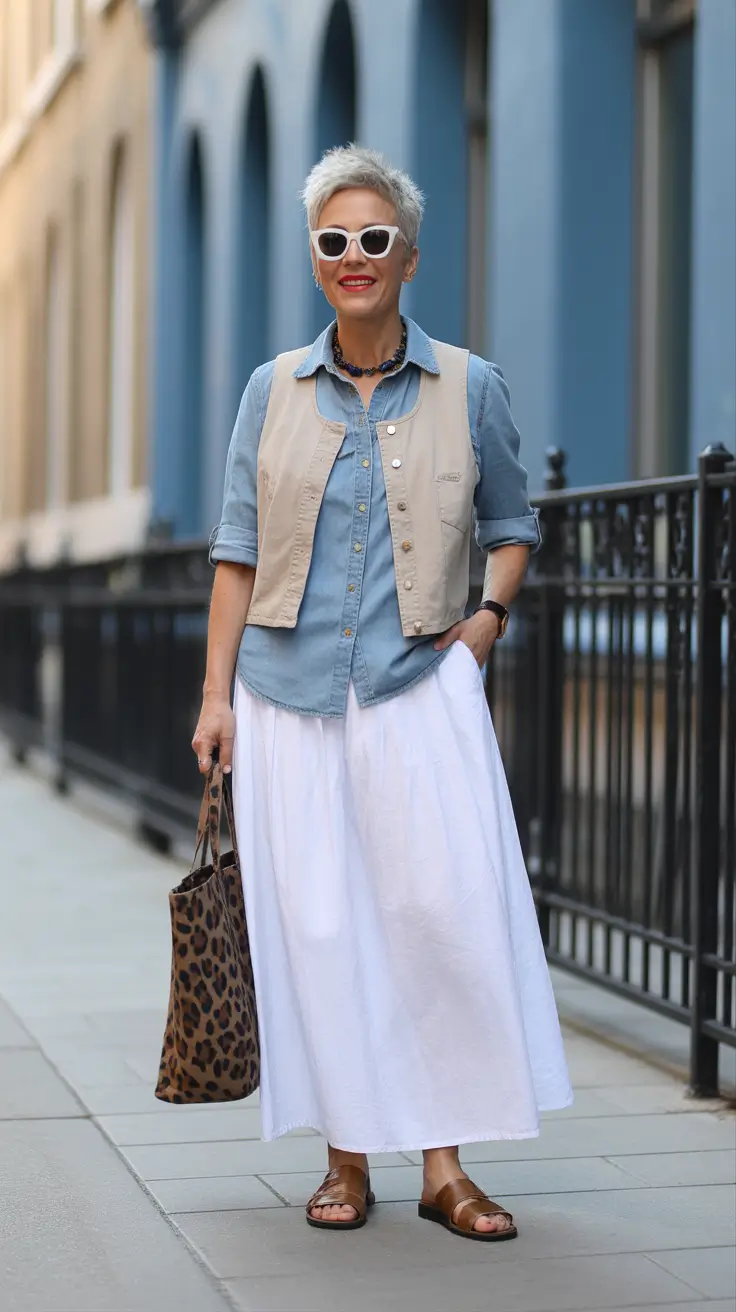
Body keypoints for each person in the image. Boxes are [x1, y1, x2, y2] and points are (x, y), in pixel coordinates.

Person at [194, 144, 571, 1241]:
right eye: (332, 242)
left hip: (419, 686)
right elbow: (234, 552)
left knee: (433, 917)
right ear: (316, 265)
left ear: (407, 255)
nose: (352, 257)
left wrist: (482, 629)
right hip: (284, 693)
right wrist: (216, 696)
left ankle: (444, 1166)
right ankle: (346, 1158)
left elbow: (513, 528)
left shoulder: (470, 383)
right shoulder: (273, 390)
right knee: (318, 927)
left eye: (372, 239)